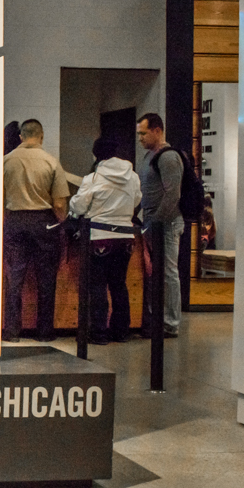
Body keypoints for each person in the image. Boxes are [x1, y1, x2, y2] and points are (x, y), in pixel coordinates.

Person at [2, 119, 69, 342]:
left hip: (15, 221)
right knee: (46, 278)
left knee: (14, 278)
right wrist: (62, 224)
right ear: (41, 136)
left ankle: (12, 331)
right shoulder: (51, 162)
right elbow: (59, 203)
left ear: (21, 137)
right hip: (44, 222)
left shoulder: (6, 161)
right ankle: (45, 332)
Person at [69, 137, 141, 345]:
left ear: (96, 155)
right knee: (119, 285)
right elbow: (137, 200)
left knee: (98, 286)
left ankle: (99, 333)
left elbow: (79, 206)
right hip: (125, 237)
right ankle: (121, 331)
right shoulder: (132, 176)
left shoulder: (93, 178)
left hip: (100, 237)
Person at [137, 112, 184, 338]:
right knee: (156, 273)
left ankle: (171, 323)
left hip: (167, 223)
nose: (140, 138)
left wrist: (156, 221)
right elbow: (145, 191)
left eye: (143, 133)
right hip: (153, 222)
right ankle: (157, 318)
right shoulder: (149, 157)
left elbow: (172, 194)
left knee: (168, 273)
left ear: (157, 130)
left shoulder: (168, 157)